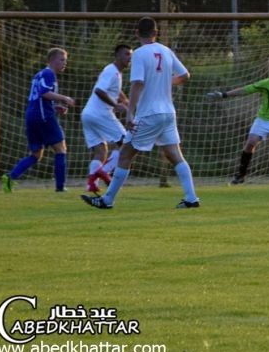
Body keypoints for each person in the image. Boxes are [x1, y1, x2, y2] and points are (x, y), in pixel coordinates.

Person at [80, 17, 199, 209]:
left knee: (126, 153)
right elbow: (185, 75)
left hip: (149, 114)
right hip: (168, 112)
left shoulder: (139, 54)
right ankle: (191, 198)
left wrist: (130, 113)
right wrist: (165, 83)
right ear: (156, 32)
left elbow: (137, 84)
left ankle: (107, 200)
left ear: (137, 33)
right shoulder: (166, 50)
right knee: (174, 154)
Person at [1, 48, 75, 192]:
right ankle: (60, 188)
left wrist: (56, 107)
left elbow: (39, 98)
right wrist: (65, 98)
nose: (64, 63)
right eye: (62, 60)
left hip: (32, 116)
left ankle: (10, 177)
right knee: (61, 149)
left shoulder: (39, 74)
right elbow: (44, 93)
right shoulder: (49, 73)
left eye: (65, 60)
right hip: (43, 116)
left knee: (36, 155)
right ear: (52, 60)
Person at [81, 44, 132, 194]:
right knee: (126, 143)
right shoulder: (112, 71)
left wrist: (127, 101)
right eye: (126, 54)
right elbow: (99, 91)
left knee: (100, 151)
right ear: (117, 56)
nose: (129, 58)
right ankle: (102, 172)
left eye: (130, 55)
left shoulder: (114, 72)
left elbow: (115, 89)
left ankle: (92, 184)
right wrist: (116, 105)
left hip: (88, 115)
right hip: (100, 114)